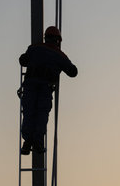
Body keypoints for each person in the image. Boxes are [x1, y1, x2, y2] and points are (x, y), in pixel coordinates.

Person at [19, 26, 78, 155]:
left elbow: (23, 60)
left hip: (30, 87)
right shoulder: (59, 55)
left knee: (29, 113)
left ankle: (28, 142)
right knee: (41, 115)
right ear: (58, 40)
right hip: (44, 88)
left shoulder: (34, 48)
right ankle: (37, 142)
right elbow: (73, 72)